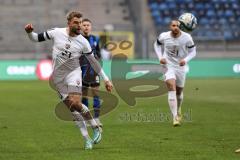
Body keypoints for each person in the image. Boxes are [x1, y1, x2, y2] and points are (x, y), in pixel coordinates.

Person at [24, 11, 113, 149]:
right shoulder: (56, 32)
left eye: (80, 22)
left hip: (73, 74)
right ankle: (86, 139)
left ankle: (95, 127)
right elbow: (35, 38)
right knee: (72, 108)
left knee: (75, 103)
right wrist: (29, 32)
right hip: (58, 78)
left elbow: (94, 61)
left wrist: (106, 79)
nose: (79, 26)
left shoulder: (83, 42)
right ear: (69, 23)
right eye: (76, 23)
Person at [154, 20, 196, 126]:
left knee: (179, 92)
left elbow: (193, 52)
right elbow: (156, 45)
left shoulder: (187, 37)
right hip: (168, 65)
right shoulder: (164, 36)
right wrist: (160, 58)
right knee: (171, 86)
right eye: (173, 25)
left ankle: (178, 109)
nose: (176, 27)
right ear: (170, 26)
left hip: (180, 67)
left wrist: (185, 60)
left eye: (178, 26)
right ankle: (175, 117)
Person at [79, 18, 103, 127]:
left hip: (93, 70)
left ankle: (97, 118)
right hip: (81, 70)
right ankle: (87, 119)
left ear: (91, 27)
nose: (86, 27)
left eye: (88, 25)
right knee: (84, 96)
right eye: (84, 25)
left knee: (96, 94)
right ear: (81, 27)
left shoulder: (95, 39)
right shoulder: (78, 39)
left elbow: (98, 53)